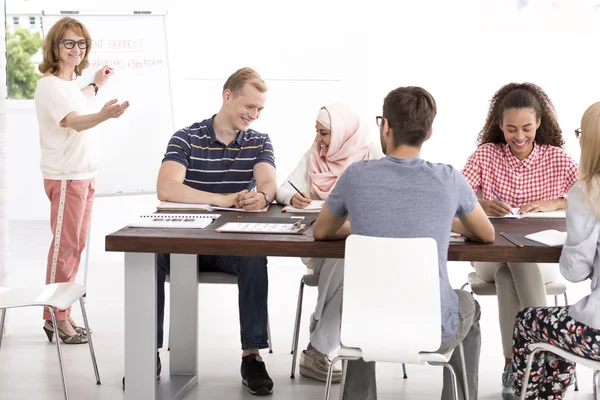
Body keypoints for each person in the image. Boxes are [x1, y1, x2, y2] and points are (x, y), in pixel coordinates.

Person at [312, 86, 495, 400]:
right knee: (471, 308)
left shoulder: (356, 175)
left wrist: (361, 230)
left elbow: (322, 231)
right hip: (432, 330)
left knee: (362, 303)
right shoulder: (449, 178)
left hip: (365, 324)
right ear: (429, 133)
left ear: (386, 126)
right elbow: (486, 234)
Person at [155, 67, 277, 395]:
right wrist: (220, 199)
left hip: (228, 249)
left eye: (259, 110)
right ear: (227, 96)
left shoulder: (259, 141)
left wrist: (262, 196)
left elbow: (267, 182)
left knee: (255, 254)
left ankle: (251, 355)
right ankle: (147, 350)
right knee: (149, 258)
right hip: (184, 244)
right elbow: (166, 188)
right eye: (249, 107)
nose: (253, 115)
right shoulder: (187, 137)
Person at [460, 82, 578, 398]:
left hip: (541, 262)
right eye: (511, 128)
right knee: (509, 262)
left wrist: (558, 202)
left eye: (527, 127)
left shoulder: (558, 160)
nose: (520, 136)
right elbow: (455, 197)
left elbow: (591, 198)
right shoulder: (486, 155)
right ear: (500, 126)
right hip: (489, 254)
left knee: (512, 268)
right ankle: (548, 357)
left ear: (539, 123)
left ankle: (513, 365)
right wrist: (479, 205)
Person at [34, 16, 129, 344]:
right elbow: (73, 120)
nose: (77, 49)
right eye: (69, 43)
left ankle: (62, 312)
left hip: (84, 176)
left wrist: (98, 84)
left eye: (82, 43)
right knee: (64, 247)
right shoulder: (49, 85)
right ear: (55, 48)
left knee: (75, 246)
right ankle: (54, 317)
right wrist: (104, 115)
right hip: (66, 178)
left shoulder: (69, 85)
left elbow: (81, 97)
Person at [275, 102, 384, 383]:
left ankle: (318, 339)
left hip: (357, 245)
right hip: (320, 243)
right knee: (348, 256)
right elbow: (284, 188)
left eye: (325, 133)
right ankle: (320, 343)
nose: (320, 140)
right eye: (318, 132)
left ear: (343, 134)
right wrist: (292, 197)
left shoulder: (370, 151)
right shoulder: (315, 153)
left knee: (350, 257)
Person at [511, 102, 600, 399]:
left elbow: (574, 272)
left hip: (597, 334)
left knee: (529, 321)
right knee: (560, 324)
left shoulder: (588, 192)